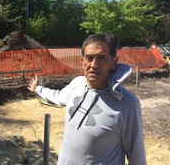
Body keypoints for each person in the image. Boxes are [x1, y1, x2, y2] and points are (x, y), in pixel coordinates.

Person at [27, 33, 146, 165]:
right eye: (89, 58)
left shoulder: (127, 103)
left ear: (113, 62)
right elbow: (58, 96)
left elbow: (137, 157)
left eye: (101, 58)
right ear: (82, 61)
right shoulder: (77, 84)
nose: (94, 65)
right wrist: (38, 89)